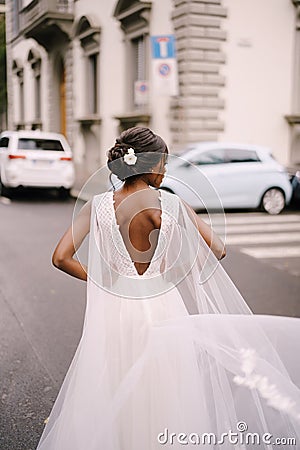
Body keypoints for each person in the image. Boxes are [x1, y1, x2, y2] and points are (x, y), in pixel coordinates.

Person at [36, 127, 300, 450]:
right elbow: (218, 249)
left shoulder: (97, 206)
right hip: (161, 306)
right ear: (149, 164)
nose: (165, 170)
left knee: (114, 383)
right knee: (164, 391)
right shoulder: (170, 205)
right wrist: (174, 269)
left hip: (116, 310)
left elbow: (60, 258)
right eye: (163, 162)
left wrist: (106, 279)